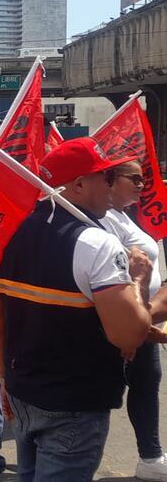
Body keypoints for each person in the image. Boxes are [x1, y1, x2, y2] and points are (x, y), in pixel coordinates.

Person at [0, 138, 152, 481]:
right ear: (79, 185)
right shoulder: (96, 243)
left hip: (24, 389)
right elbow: (129, 333)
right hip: (74, 402)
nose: (114, 186)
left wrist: (5, 379)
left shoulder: (12, 231)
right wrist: (139, 280)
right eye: (107, 177)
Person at [99, 160, 167, 481]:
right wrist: (134, 323)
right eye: (135, 179)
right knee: (101, 391)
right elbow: (119, 274)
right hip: (121, 318)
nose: (142, 185)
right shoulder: (97, 217)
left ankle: (151, 456)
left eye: (143, 179)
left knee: (147, 382)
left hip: (143, 317)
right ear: (110, 180)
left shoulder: (126, 215)